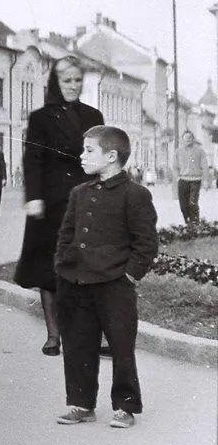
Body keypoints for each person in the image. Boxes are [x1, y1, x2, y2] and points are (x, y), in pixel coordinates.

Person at [53, 126, 158, 428]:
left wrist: (129, 277)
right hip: (77, 282)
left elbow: (146, 244)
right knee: (77, 345)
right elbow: (66, 234)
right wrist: (62, 264)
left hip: (115, 284)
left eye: (89, 150)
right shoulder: (79, 193)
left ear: (111, 156)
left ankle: (125, 406)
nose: (82, 156)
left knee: (121, 347)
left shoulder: (135, 194)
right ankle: (81, 404)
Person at [14, 57, 104, 356]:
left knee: (89, 265)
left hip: (86, 199)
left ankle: (92, 334)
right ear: (56, 82)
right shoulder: (40, 118)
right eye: (67, 80)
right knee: (48, 267)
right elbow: (33, 159)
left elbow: (103, 157)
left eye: (77, 80)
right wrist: (33, 197)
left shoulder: (93, 115)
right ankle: (53, 335)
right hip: (50, 203)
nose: (73, 86)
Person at [174, 130, 208, 225]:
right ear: (182, 139)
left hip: (195, 180)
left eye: (190, 137)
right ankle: (188, 223)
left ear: (193, 139)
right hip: (183, 180)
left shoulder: (200, 151)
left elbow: (205, 166)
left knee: (192, 203)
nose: (188, 139)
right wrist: (177, 178)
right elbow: (175, 167)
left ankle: (195, 223)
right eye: (186, 137)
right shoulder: (178, 152)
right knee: (183, 206)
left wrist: (205, 180)